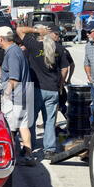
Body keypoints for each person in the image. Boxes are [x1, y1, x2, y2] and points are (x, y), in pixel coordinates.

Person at [17, 24, 69, 160]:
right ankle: (50, 150)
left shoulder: (34, 46)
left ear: (42, 33)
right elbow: (65, 69)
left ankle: (30, 146)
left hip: (35, 89)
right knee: (50, 121)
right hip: (52, 89)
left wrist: (36, 30)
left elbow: (19, 30)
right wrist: (60, 84)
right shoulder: (59, 48)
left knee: (32, 120)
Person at [0, 26, 36, 166]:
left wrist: (6, 94)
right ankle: (29, 157)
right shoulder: (17, 50)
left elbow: (14, 78)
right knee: (23, 126)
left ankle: (11, 157)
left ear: (1, 39)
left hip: (16, 96)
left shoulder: (12, 53)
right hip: (25, 93)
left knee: (11, 129)